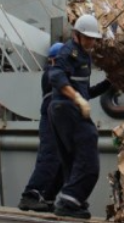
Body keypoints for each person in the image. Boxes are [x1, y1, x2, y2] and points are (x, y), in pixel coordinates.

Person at [48, 15, 111, 219]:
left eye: (94, 38)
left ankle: (72, 200)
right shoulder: (69, 52)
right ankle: (70, 197)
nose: (92, 42)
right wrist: (77, 99)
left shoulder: (85, 55)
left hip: (66, 108)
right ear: (76, 35)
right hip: (66, 108)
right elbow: (55, 76)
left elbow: (86, 91)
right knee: (88, 150)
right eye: (87, 38)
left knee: (72, 157)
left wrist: (110, 83)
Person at [18, 42, 65, 212]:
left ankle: (48, 198)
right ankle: (29, 195)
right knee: (50, 157)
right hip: (51, 119)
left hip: (61, 122)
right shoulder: (51, 73)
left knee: (62, 163)